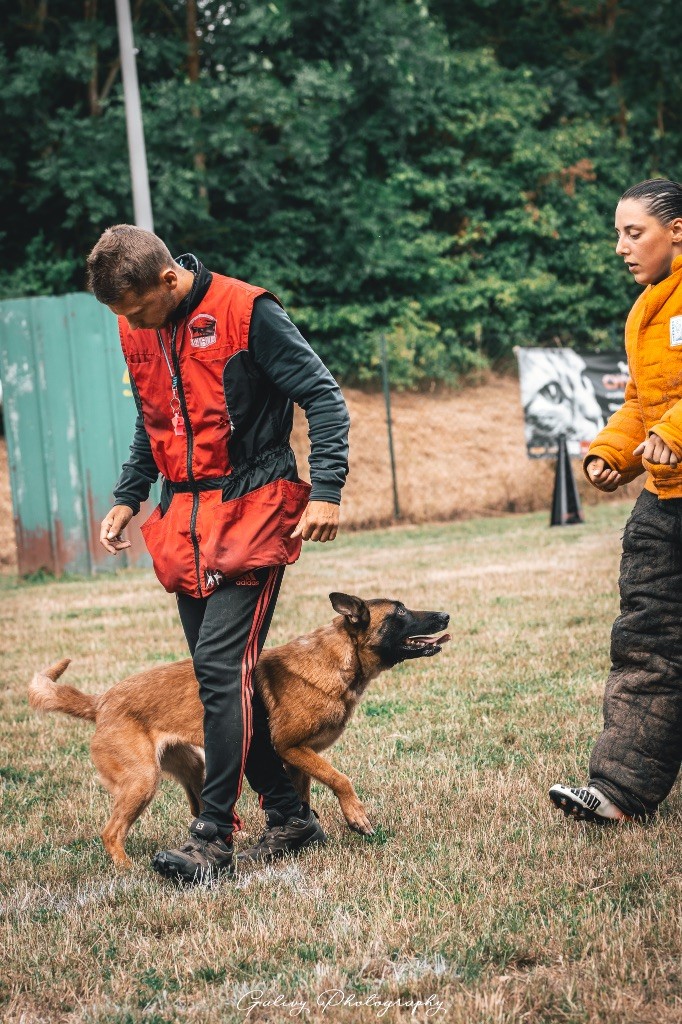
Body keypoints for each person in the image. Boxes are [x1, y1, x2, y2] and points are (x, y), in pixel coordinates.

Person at [87, 225, 350, 883]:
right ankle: (289, 817)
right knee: (221, 679)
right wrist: (129, 493)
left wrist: (330, 488)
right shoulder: (137, 326)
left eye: (138, 310)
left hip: (254, 511)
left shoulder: (248, 312)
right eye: (123, 317)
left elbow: (322, 394)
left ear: (168, 281)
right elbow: (156, 423)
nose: (133, 325)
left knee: (218, 668)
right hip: (185, 519)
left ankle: (213, 837)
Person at [549, 178, 682, 824]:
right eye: (618, 235)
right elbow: (640, 404)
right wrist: (613, 452)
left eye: (635, 233)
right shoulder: (645, 309)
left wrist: (674, 433)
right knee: (646, 638)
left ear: (677, 230)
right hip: (664, 501)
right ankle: (621, 793)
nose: (622, 248)